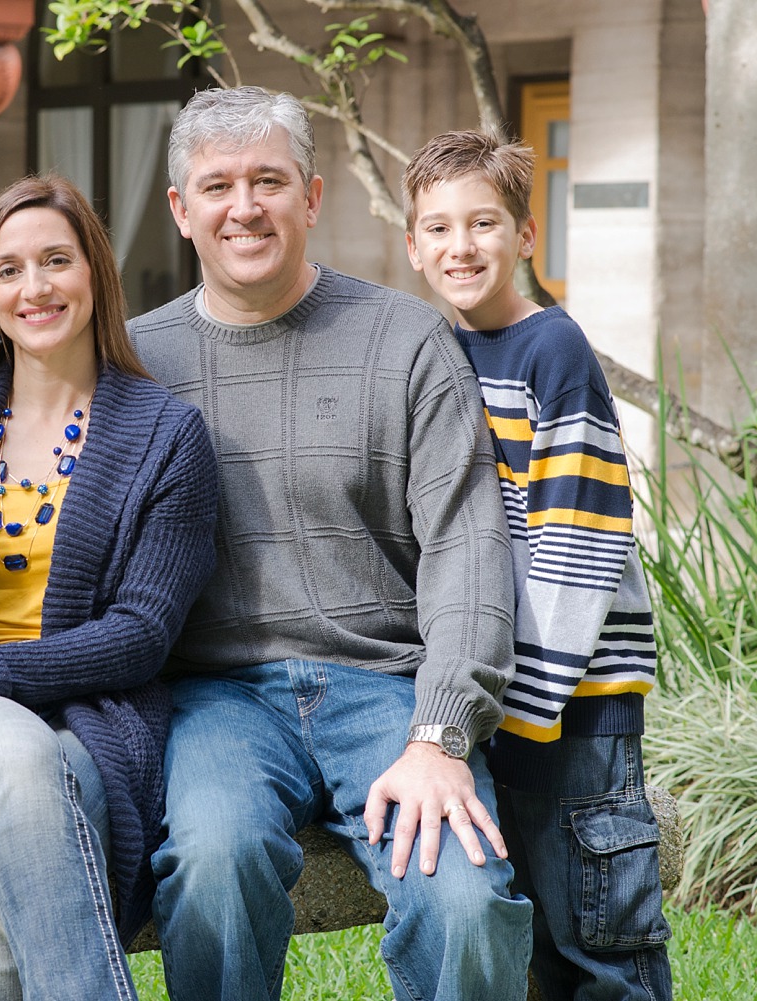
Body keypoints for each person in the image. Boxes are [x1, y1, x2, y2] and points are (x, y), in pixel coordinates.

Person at [128, 86, 534, 1001]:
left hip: (390, 689)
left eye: (269, 180)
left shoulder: (406, 339)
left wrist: (440, 735)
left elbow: (467, 552)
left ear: (311, 198)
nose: (245, 207)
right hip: (216, 700)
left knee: (465, 899)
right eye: (219, 185)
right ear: (180, 212)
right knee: (212, 859)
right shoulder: (134, 364)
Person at [0, 174, 218, 1001]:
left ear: (94, 272)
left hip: (98, 729)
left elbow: (141, 634)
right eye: (9, 269)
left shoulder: (166, 435)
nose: (34, 288)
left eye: (56, 261)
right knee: (16, 752)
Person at [403, 128, 672, 1000]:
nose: (461, 246)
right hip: (502, 705)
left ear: (525, 236)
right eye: (438, 228)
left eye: (483, 224)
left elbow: (580, 545)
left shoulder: (550, 351)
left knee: (601, 940)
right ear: (411, 245)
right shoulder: (438, 351)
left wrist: (523, 702)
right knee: (533, 951)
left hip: (576, 702)